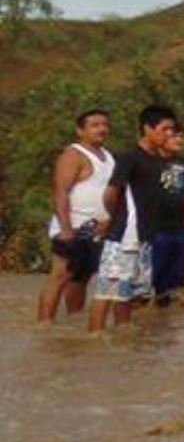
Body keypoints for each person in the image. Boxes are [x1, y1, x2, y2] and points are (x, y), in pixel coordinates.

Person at [91, 105, 180, 332]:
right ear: (147, 129)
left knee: (127, 294)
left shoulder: (160, 161)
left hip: (146, 237)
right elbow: (111, 193)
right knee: (106, 292)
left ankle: (123, 336)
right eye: (164, 129)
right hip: (124, 236)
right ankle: (94, 340)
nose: (169, 134)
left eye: (172, 129)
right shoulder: (129, 157)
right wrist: (113, 219)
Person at [37, 108, 112, 324]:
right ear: (80, 131)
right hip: (73, 226)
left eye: (105, 125)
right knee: (60, 277)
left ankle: (72, 321)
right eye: (95, 125)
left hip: (97, 228)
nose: (102, 129)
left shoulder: (107, 156)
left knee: (82, 278)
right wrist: (66, 229)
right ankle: (44, 326)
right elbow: (60, 192)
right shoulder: (73, 155)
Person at [151, 123, 184, 307]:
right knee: (156, 269)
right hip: (156, 226)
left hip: (179, 225)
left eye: (181, 136)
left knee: (178, 272)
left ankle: (171, 310)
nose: (179, 140)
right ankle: (154, 303)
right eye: (173, 136)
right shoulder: (151, 162)